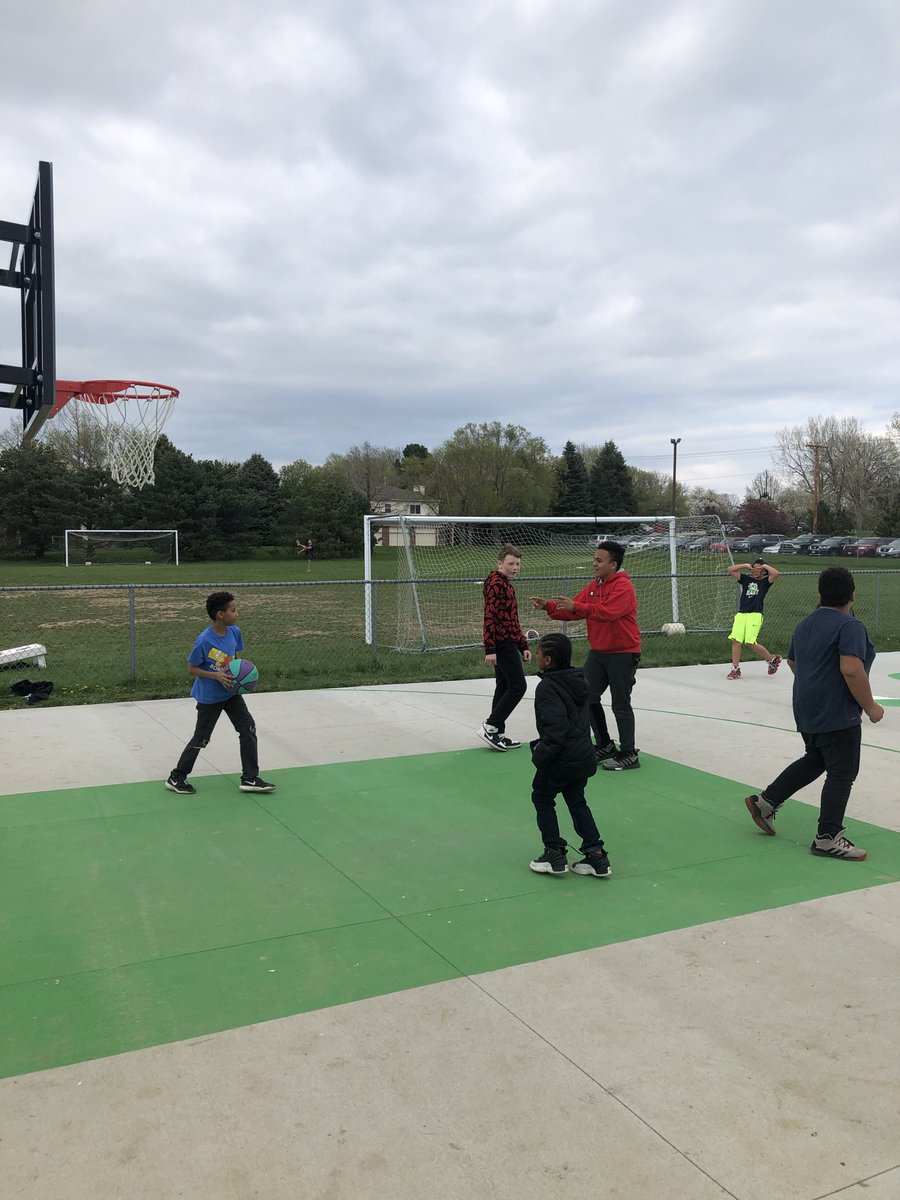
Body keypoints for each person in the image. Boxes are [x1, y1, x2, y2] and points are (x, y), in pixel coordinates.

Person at [744, 566, 884, 860]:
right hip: (837, 712)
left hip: (807, 708)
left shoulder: (805, 624)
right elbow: (851, 669)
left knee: (817, 758)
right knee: (842, 773)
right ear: (853, 595)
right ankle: (827, 836)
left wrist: (817, 681)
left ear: (820, 594)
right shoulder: (849, 626)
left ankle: (766, 802)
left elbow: (794, 663)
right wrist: (870, 707)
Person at [532, 541, 641, 772]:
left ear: (613, 564)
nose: (594, 563)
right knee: (587, 696)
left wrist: (577, 607)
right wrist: (549, 606)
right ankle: (605, 744)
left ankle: (629, 753)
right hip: (599, 653)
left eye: (599, 560)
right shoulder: (595, 585)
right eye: (594, 559)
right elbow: (576, 607)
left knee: (620, 704)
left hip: (623, 653)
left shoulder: (624, 588)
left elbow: (605, 613)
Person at [165, 591, 276, 796]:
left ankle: (250, 778)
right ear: (220, 615)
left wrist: (241, 677)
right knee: (202, 738)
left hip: (231, 693)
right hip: (210, 697)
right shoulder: (204, 641)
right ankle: (176, 776)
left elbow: (234, 659)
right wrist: (216, 676)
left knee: (248, 728)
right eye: (233, 610)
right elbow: (192, 669)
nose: (237, 613)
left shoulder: (234, 632)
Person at [527, 633, 611, 878]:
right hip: (582, 756)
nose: (538, 656)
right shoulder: (579, 679)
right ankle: (596, 855)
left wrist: (539, 756)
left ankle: (554, 852)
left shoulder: (547, 687)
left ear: (549, 660)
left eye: (540, 652)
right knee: (576, 800)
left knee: (542, 797)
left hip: (560, 759)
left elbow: (556, 731)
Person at [478, 543, 531, 751]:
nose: (515, 567)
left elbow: (512, 619)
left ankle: (497, 732)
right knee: (518, 686)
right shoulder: (495, 584)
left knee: (504, 685)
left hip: (509, 641)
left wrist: (523, 645)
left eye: (517, 563)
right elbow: (490, 617)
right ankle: (491, 725)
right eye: (510, 563)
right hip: (500, 643)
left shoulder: (507, 584)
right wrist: (490, 649)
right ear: (500, 563)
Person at [726, 558, 781, 679]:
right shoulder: (746, 580)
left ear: (763, 571)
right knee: (736, 640)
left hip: (755, 614)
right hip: (742, 614)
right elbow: (730, 570)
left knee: (750, 642)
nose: (755, 570)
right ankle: (735, 668)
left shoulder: (765, 582)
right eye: (753, 568)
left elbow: (776, 573)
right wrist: (745, 565)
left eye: (758, 569)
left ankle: (772, 660)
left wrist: (765, 566)